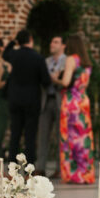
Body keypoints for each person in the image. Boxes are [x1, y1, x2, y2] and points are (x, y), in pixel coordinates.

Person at [2, 29, 51, 165]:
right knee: (30, 136)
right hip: (31, 101)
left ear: (19, 41)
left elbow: (5, 54)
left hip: (15, 99)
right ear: (30, 39)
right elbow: (46, 81)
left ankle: (12, 168)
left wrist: (13, 42)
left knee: (15, 134)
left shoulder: (14, 55)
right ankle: (30, 168)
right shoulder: (38, 58)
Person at [53, 33, 95, 184]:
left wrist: (55, 78)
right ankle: (85, 174)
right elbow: (85, 84)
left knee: (70, 138)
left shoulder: (71, 59)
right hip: (83, 101)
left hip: (71, 102)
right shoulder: (86, 63)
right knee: (83, 137)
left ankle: (72, 174)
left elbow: (65, 82)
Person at [37, 35, 67, 177]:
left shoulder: (68, 61)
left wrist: (56, 78)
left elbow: (65, 79)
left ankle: (59, 169)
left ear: (63, 46)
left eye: (56, 42)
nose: (52, 44)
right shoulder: (46, 61)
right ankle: (40, 167)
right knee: (43, 134)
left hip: (60, 100)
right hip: (46, 99)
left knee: (60, 135)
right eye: (51, 41)